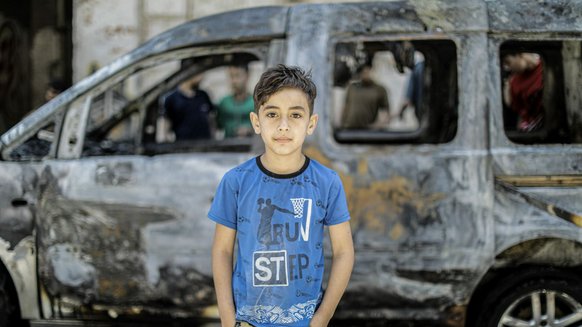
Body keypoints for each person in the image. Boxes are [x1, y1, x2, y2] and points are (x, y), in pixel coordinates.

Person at [209, 64, 354, 327]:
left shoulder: (327, 183)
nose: (284, 126)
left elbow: (344, 252)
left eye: (295, 115)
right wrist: (228, 320)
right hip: (247, 321)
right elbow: (222, 251)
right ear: (256, 122)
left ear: (311, 124)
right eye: (273, 114)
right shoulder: (236, 182)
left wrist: (322, 318)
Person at [163, 73, 213, 140]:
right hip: (183, 145)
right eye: (199, 73)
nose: (202, 77)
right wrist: (166, 139)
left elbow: (210, 120)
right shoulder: (172, 99)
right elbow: (167, 123)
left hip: (206, 144)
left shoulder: (203, 95)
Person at [502, 52, 544, 132]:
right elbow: (512, 104)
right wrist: (507, 87)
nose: (508, 68)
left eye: (508, 63)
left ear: (520, 55)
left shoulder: (546, 65)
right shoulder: (514, 82)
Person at [340, 63, 389, 129]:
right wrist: (341, 125)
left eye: (368, 70)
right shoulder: (352, 87)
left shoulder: (379, 90)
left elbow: (385, 113)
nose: (365, 73)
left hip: (367, 131)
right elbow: (346, 107)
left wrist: (377, 126)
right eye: (363, 70)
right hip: (349, 129)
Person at [217, 65, 255, 138]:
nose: (234, 81)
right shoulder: (224, 103)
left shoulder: (256, 103)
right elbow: (218, 125)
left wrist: (250, 130)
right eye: (231, 76)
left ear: (247, 76)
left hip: (251, 147)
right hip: (228, 146)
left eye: (238, 76)